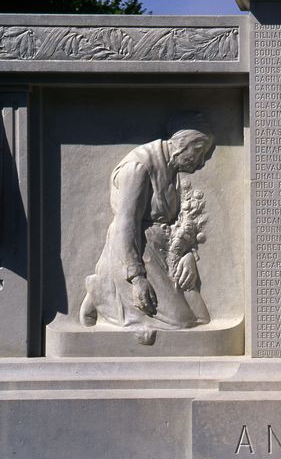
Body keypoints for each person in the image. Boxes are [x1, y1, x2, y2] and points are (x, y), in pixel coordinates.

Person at [79, 112, 214, 343]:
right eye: (200, 153)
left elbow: (179, 220)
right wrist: (137, 279)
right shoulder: (138, 167)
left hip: (165, 252)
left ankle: (106, 291)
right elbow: (125, 224)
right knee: (182, 322)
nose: (201, 163)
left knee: (201, 317)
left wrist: (188, 254)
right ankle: (104, 291)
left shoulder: (172, 169)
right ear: (184, 144)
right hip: (137, 255)